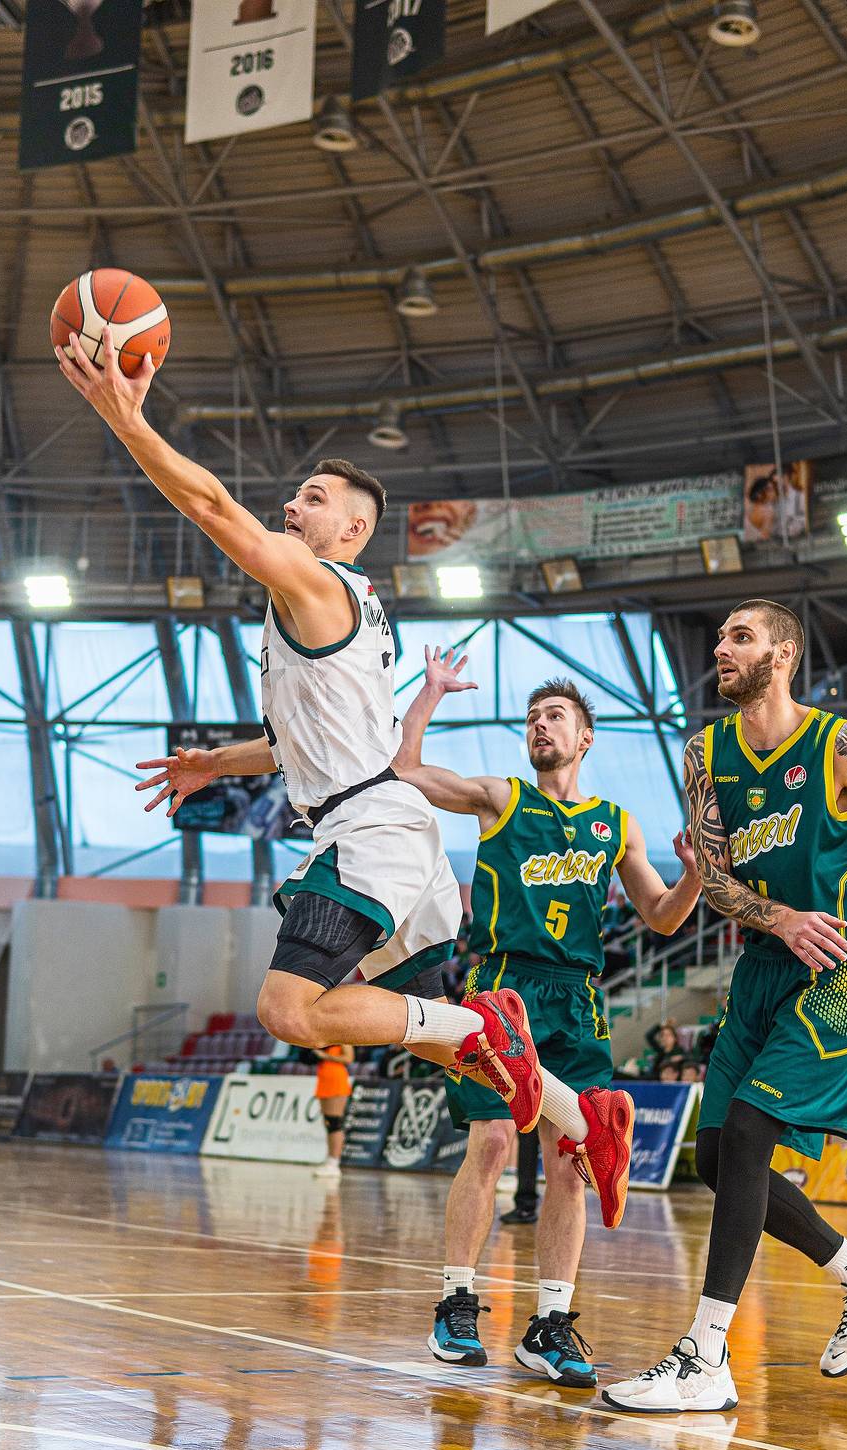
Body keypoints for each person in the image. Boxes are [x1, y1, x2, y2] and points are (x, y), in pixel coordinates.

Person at [58, 326, 555, 1147]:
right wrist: (218, 762)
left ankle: (483, 1026)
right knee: (439, 1040)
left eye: (314, 499)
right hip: (390, 824)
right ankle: (582, 1115)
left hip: (369, 832)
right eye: (296, 497)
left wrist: (128, 420)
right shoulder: (341, 609)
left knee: (289, 1011)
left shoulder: (318, 586)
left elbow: (211, 508)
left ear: (353, 531)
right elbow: (313, 741)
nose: (291, 507)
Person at [603, 598, 847, 1415]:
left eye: (741, 636)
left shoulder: (838, 745)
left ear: (783, 654)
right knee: (717, 1159)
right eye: (720, 636)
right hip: (760, 967)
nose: (721, 648)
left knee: (751, 1132)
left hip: (839, 969)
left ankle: (704, 1357)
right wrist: (779, 918)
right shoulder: (705, 752)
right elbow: (715, 880)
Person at [393, 648, 701, 1388]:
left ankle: (550, 1325)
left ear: (584, 737)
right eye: (532, 717)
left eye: (554, 716)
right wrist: (430, 693)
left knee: (573, 1158)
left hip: (578, 999)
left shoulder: (616, 825)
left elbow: (662, 917)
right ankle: (456, 1304)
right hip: (504, 987)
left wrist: (695, 874)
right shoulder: (501, 799)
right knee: (494, 1141)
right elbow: (406, 771)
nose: (540, 725)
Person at [313, 1044, 354, 1181]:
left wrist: (325, 1056)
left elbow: (348, 1058)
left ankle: (334, 1163)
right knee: (328, 1122)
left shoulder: (342, 1038)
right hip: (324, 1078)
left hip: (336, 1080)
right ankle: (330, 1159)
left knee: (335, 1123)